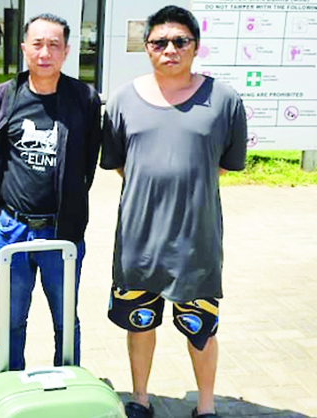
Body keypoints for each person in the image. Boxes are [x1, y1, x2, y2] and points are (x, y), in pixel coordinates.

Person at [100, 6, 247, 418]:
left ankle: (206, 406)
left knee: (201, 330)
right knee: (139, 322)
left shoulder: (224, 100)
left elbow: (224, 164)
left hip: (196, 240)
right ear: (147, 48)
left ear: (195, 47)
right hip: (139, 240)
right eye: (159, 42)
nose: (170, 49)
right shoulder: (123, 99)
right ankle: (140, 398)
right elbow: (119, 162)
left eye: (180, 41)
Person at [0, 13, 102, 371]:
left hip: (61, 231)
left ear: (66, 51)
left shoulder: (84, 99)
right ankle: (12, 382)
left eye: (53, 45)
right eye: (37, 44)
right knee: (13, 318)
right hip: (13, 229)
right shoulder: (2, 97)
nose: (44, 53)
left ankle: (67, 381)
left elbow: (88, 160)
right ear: (23, 48)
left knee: (65, 319)